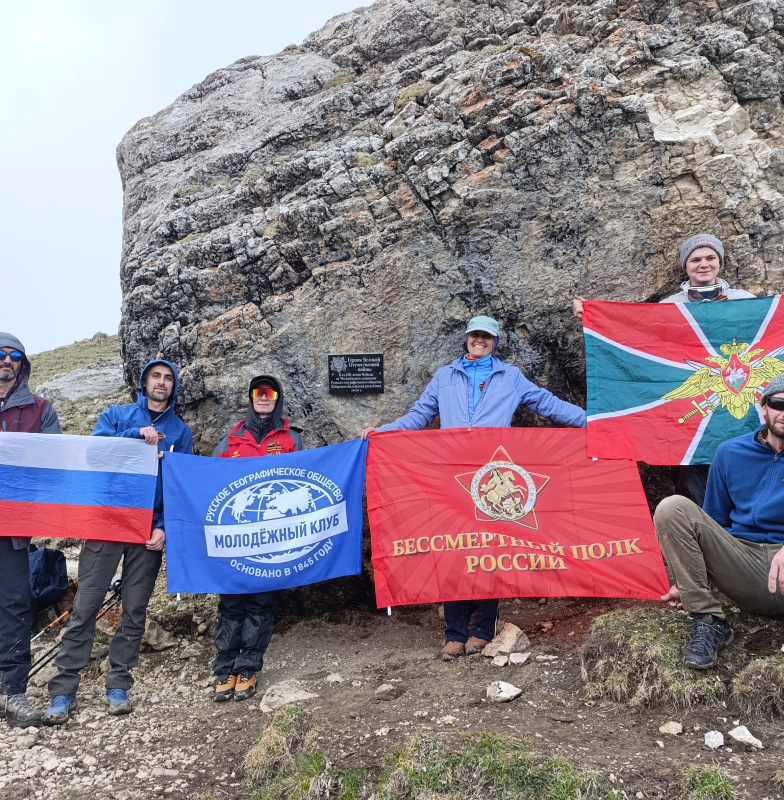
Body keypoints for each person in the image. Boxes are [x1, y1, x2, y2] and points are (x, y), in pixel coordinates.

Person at [360, 315, 586, 661]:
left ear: (495, 342)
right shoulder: (444, 376)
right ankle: (454, 632)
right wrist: (384, 432)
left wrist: (595, 423)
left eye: (487, 336)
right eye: (474, 335)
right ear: (466, 338)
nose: (479, 340)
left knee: (490, 550)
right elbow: (419, 416)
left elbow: (549, 405)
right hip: (451, 477)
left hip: (493, 475)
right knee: (453, 551)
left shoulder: (510, 377)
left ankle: (482, 630)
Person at [42, 360, 193, 725]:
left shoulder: (180, 431)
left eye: (168, 378)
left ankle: (118, 684)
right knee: (86, 606)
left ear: (174, 387)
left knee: (135, 610)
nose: (162, 382)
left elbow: (179, 484)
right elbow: (93, 452)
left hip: (147, 532)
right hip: (107, 523)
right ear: (144, 382)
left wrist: (165, 528)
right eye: (155, 376)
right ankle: (63, 691)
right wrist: (133, 438)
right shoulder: (117, 415)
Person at [573, 233, 754, 506]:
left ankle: (742, 541)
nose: (703, 264)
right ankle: (698, 540)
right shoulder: (669, 307)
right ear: (685, 266)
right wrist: (593, 316)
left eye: (710, 258)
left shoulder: (746, 301)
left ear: (720, 262)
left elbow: (771, 335)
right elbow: (638, 340)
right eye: (695, 259)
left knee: (742, 480)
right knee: (691, 486)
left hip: (736, 408)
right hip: (689, 411)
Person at [653, 374, 784, 669]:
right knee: (672, 508)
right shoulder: (729, 452)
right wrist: (692, 583)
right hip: (744, 562)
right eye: (779, 403)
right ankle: (708, 619)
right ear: (764, 408)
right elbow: (712, 524)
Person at [0, 332, 61, 727]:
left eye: (15, 355)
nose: (7, 360)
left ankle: (10, 693)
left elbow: (57, 462)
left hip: (6, 526)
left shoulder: (40, 409)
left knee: (13, 602)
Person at [210, 375, 304, 701]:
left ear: (277, 398)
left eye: (270, 392)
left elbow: (306, 480)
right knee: (231, 602)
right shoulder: (229, 441)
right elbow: (207, 485)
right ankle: (225, 668)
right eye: (258, 392)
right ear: (250, 397)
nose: (263, 397)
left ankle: (248, 667)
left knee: (260, 604)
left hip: (271, 540)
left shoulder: (292, 439)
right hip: (235, 539)